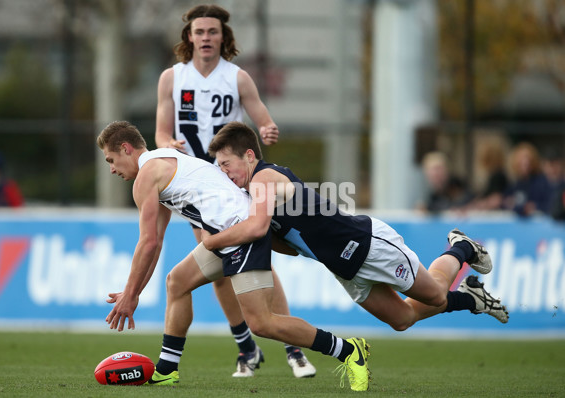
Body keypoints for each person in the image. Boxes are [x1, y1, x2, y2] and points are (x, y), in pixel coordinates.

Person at [97, 121, 370, 391]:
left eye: (111, 159)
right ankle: (167, 370)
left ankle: (348, 351)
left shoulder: (146, 177)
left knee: (262, 323)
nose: (111, 169)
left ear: (126, 148)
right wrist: (133, 292)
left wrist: (131, 294)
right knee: (177, 282)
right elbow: (154, 243)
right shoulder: (167, 158)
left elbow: (148, 242)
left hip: (242, 233)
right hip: (226, 234)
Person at [201, 122, 509, 336]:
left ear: (250, 156)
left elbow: (256, 229)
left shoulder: (263, 179)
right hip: (343, 266)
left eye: (227, 163)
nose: (224, 172)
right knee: (402, 320)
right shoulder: (253, 193)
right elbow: (280, 242)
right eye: (219, 166)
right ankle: (471, 297)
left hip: (365, 244)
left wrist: (213, 242)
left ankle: (462, 246)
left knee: (437, 296)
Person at [154, 4, 315, 378]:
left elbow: (262, 117)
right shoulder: (172, 78)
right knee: (219, 270)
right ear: (189, 37)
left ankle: (293, 346)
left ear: (224, 37)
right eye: (199, 32)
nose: (206, 38)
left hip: (234, 185)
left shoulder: (237, 77)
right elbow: (161, 131)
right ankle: (247, 347)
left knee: (259, 261)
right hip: (195, 188)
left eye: (213, 32)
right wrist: (168, 144)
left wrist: (270, 128)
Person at [503, 142, 551, 217]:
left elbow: (549, 203)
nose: (525, 164)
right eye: (522, 161)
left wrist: (535, 206)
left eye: (528, 161)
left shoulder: (541, 182)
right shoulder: (515, 183)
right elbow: (506, 201)